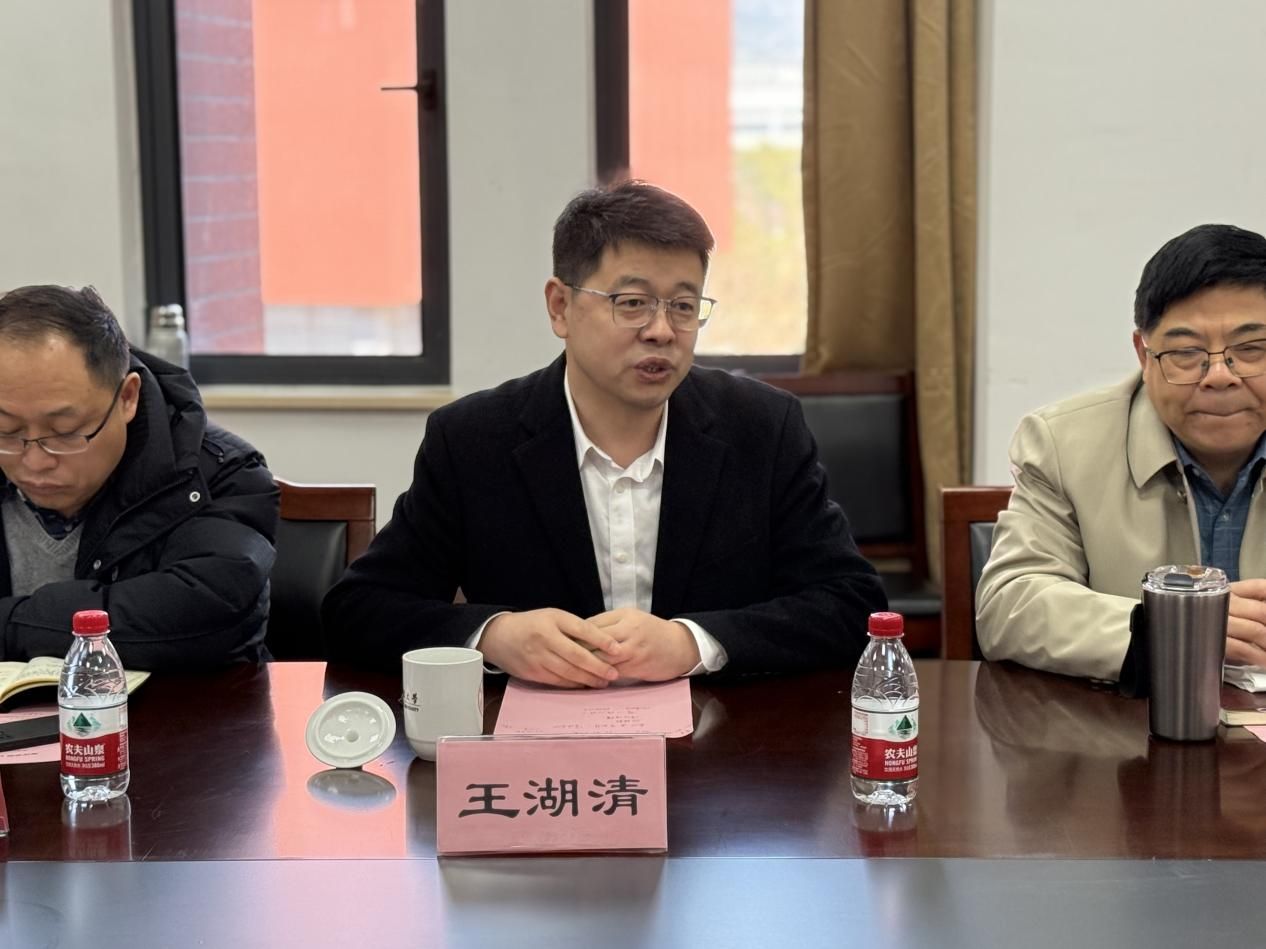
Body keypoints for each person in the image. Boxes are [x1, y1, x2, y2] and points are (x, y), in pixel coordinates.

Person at [323, 180, 886, 685]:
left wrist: (695, 643)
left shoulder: (761, 427)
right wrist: (492, 635)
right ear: (560, 307)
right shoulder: (473, 440)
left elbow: (852, 603)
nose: (662, 331)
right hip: (536, 751)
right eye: (632, 303)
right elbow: (359, 609)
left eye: (683, 306)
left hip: (720, 743)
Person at [977, 223, 1266, 681]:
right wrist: (1171, 628)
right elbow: (1010, 605)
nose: (1219, 376)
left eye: (1251, 349)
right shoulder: (1064, 444)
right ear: (1143, 355)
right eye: (1186, 352)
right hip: (1126, 720)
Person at [0, 285, 277, 669]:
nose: (35, 461)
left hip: (177, 705)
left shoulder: (220, 474)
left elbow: (206, 612)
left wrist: (9, 625)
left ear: (127, 397)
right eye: (7, 431)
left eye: (65, 432)